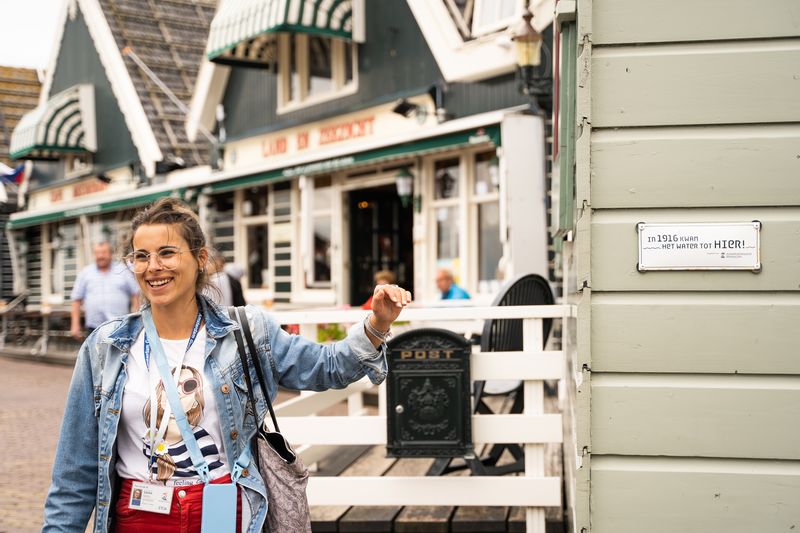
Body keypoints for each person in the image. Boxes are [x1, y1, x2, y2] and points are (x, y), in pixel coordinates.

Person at [43, 198, 412, 533]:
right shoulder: (105, 348)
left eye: (167, 253)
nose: (153, 267)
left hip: (224, 509)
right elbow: (74, 474)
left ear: (200, 258)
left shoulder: (246, 332)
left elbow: (325, 367)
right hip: (139, 516)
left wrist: (376, 325)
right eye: (141, 256)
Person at [70, 241, 140, 339]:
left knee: (119, 354)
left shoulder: (122, 270)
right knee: (94, 354)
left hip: (119, 327)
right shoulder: (85, 273)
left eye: (104, 252)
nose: (101, 256)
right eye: (97, 253)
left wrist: (136, 317)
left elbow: (135, 293)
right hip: (93, 329)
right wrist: (75, 325)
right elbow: (76, 299)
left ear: (110, 254)